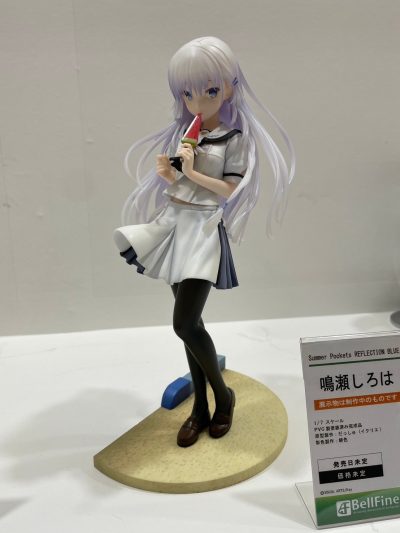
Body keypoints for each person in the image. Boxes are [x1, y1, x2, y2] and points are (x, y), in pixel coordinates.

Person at [113, 36, 295, 447]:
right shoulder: (185, 133)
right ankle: (199, 407)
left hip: (202, 229)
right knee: (189, 327)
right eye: (188, 93)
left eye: (210, 90)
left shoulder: (235, 139)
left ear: (229, 88)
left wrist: (193, 172)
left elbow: (229, 189)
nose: (198, 101)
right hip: (173, 223)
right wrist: (170, 173)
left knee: (184, 322)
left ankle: (223, 396)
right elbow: (179, 181)